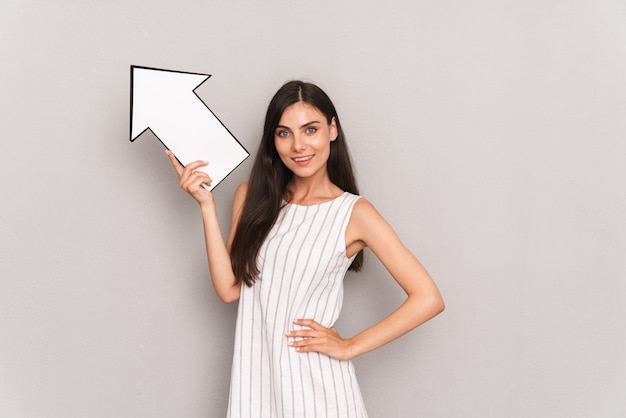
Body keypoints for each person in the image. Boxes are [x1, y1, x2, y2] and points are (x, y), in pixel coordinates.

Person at [166, 80, 444, 418]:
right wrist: (206, 206)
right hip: (256, 386)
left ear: (332, 129)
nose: (298, 145)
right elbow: (229, 289)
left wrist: (350, 345)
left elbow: (428, 298)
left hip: (319, 392)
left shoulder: (354, 213)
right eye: (284, 133)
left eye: (310, 129)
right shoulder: (251, 197)